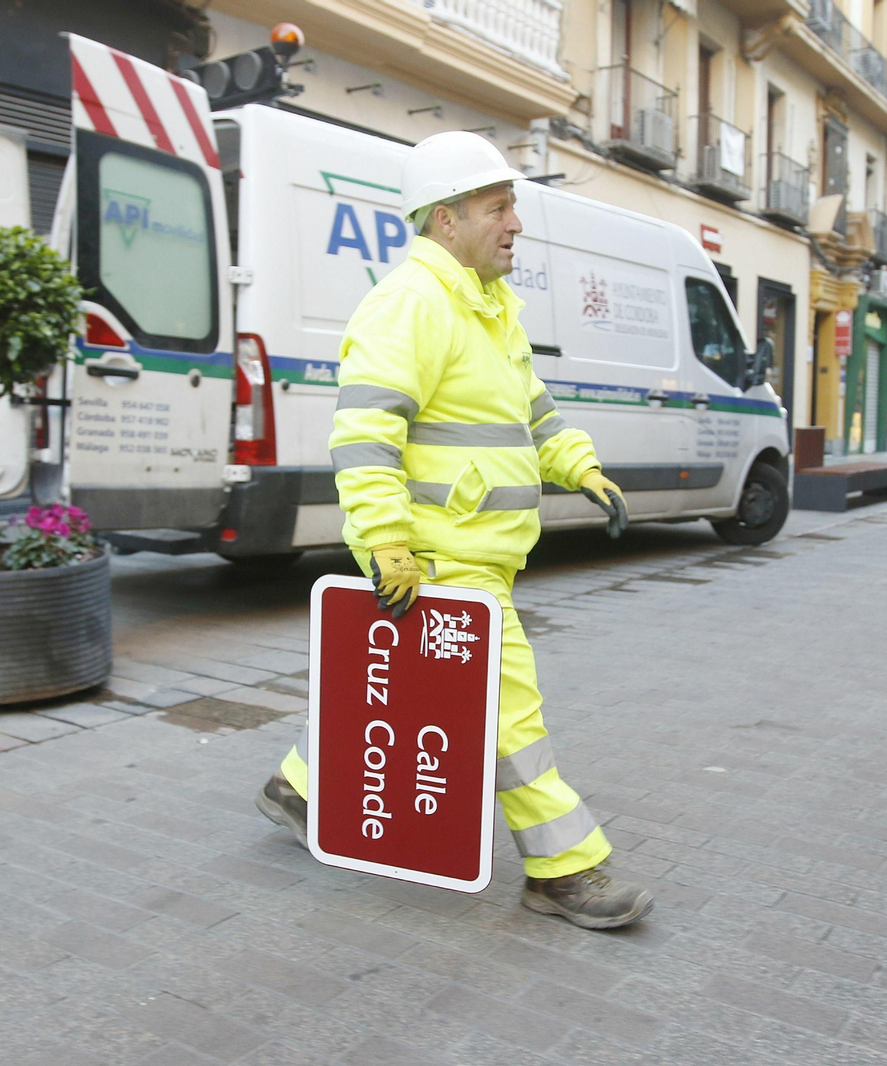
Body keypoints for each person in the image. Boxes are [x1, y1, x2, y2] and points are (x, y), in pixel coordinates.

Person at [255, 132, 654, 930]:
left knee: (408, 693)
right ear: (445, 220)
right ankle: (562, 867)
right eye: (497, 206)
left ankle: (301, 785)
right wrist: (388, 548)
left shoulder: (490, 305)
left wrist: (580, 467)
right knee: (509, 715)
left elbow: (532, 412)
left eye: (513, 206)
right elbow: (364, 438)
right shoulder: (411, 304)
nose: (515, 223)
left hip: (479, 555)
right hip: (441, 561)